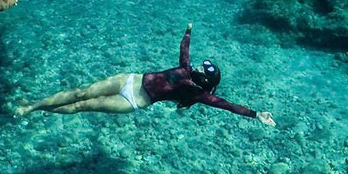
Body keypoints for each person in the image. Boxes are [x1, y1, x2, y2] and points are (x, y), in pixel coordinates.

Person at [17, 23, 275, 125]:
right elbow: (184, 48)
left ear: (204, 79)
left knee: (82, 105)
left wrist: (255, 114)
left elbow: (227, 106)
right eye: (202, 64)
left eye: (203, 69)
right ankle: (32, 106)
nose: (197, 65)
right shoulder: (185, 68)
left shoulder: (197, 94)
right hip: (131, 79)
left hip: (133, 101)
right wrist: (188, 31)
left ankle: (39, 109)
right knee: (79, 92)